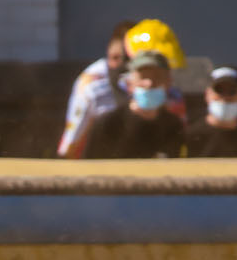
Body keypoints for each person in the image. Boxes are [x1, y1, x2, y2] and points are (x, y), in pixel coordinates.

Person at [62, 18, 181, 157]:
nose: (149, 82)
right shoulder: (92, 86)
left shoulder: (172, 123)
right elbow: (70, 144)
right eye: (115, 58)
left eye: (157, 75)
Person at [83, 45, 188, 159]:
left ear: (168, 82)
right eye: (143, 77)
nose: (149, 83)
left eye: (157, 77)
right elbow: (89, 169)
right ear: (130, 83)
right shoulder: (108, 124)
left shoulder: (173, 127)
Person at [188, 65, 237, 158]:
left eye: (232, 91)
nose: (225, 97)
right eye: (219, 90)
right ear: (207, 94)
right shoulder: (191, 135)